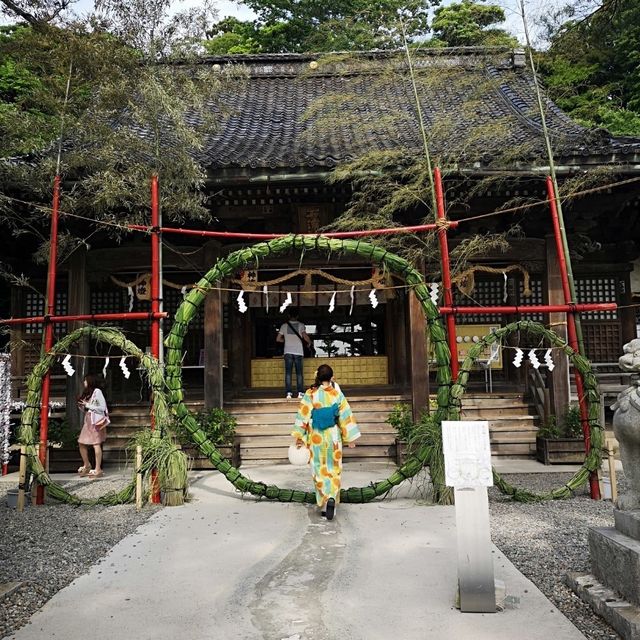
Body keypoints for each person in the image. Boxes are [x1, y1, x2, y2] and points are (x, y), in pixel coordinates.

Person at [292, 364, 360, 520]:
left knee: (319, 468)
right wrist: (349, 438)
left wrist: (299, 437)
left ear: (317, 376)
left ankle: (324, 505)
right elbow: (345, 415)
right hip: (333, 435)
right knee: (334, 468)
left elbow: (303, 416)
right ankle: (332, 499)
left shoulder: (311, 394)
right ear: (331, 377)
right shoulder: (337, 394)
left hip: (317, 436)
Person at [76, 374, 110, 479]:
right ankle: (87, 464)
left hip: (95, 422)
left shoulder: (97, 392)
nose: (84, 382)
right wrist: (83, 405)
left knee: (96, 444)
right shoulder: (89, 393)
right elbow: (89, 407)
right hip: (89, 421)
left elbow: (102, 407)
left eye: (85, 380)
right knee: (81, 442)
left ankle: (98, 468)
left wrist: (88, 405)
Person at [277, 308, 312, 400]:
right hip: (298, 352)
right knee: (299, 373)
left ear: (289, 316)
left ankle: (288, 393)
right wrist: (309, 343)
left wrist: (286, 340)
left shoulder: (284, 326)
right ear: (297, 316)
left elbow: (278, 339)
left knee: (288, 373)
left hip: (288, 351)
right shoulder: (301, 325)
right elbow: (305, 336)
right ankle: (300, 393)